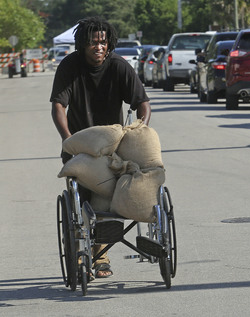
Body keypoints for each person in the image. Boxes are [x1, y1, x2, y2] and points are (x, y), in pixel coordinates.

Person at [50, 16, 151, 279]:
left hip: (112, 148)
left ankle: (100, 253)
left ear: (109, 44)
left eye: (103, 42)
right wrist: (68, 139)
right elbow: (59, 106)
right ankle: (80, 250)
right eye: (93, 42)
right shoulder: (70, 66)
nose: (99, 47)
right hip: (80, 147)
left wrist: (138, 130)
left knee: (106, 198)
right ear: (82, 43)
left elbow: (143, 103)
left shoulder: (119, 66)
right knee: (81, 199)